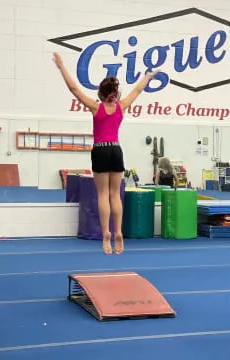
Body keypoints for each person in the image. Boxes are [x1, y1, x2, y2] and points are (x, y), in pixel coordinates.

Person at [53, 52, 158, 255]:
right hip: (116, 150)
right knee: (115, 195)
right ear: (116, 93)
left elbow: (74, 88)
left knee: (102, 194)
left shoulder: (95, 107)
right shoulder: (122, 106)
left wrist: (61, 66)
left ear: (101, 92)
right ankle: (118, 230)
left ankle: (106, 234)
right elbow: (138, 89)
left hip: (100, 150)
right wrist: (148, 76)